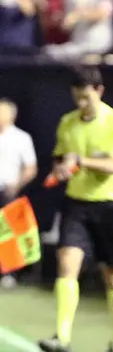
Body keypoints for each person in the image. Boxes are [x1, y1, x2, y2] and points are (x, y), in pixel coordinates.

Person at [38, 66, 113, 352]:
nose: (81, 103)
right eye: (77, 97)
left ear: (99, 91)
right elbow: (60, 160)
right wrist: (60, 169)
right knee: (67, 264)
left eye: (86, 97)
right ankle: (61, 337)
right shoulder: (67, 123)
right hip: (76, 204)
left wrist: (81, 161)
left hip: (110, 206)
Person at [0, 98, 37, 290]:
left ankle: (8, 274)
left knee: (7, 234)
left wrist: (17, 185)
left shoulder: (21, 138)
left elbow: (31, 168)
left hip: (8, 192)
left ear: (11, 116)